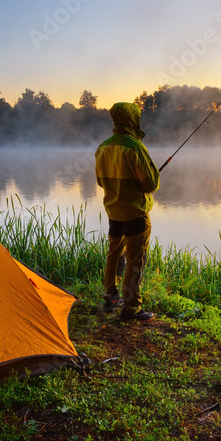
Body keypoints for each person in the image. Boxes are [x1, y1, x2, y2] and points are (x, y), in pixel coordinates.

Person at [95, 102, 159, 322]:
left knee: (113, 255)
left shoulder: (103, 147)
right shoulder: (135, 147)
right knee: (135, 261)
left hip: (113, 211)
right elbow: (151, 184)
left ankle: (110, 297)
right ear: (133, 119)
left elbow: (100, 181)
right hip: (136, 213)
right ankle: (132, 308)